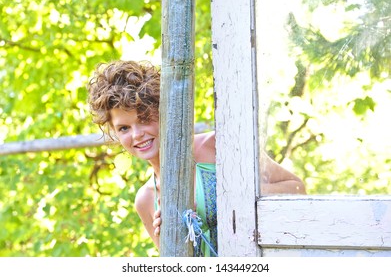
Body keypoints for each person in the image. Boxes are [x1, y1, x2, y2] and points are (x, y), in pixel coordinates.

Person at [87, 60, 306, 256]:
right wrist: (172, 240)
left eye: (144, 119)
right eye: (124, 128)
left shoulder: (219, 145)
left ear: (163, 112)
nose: (136, 134)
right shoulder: (145, 200)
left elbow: (296, 189)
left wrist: (222, 196)